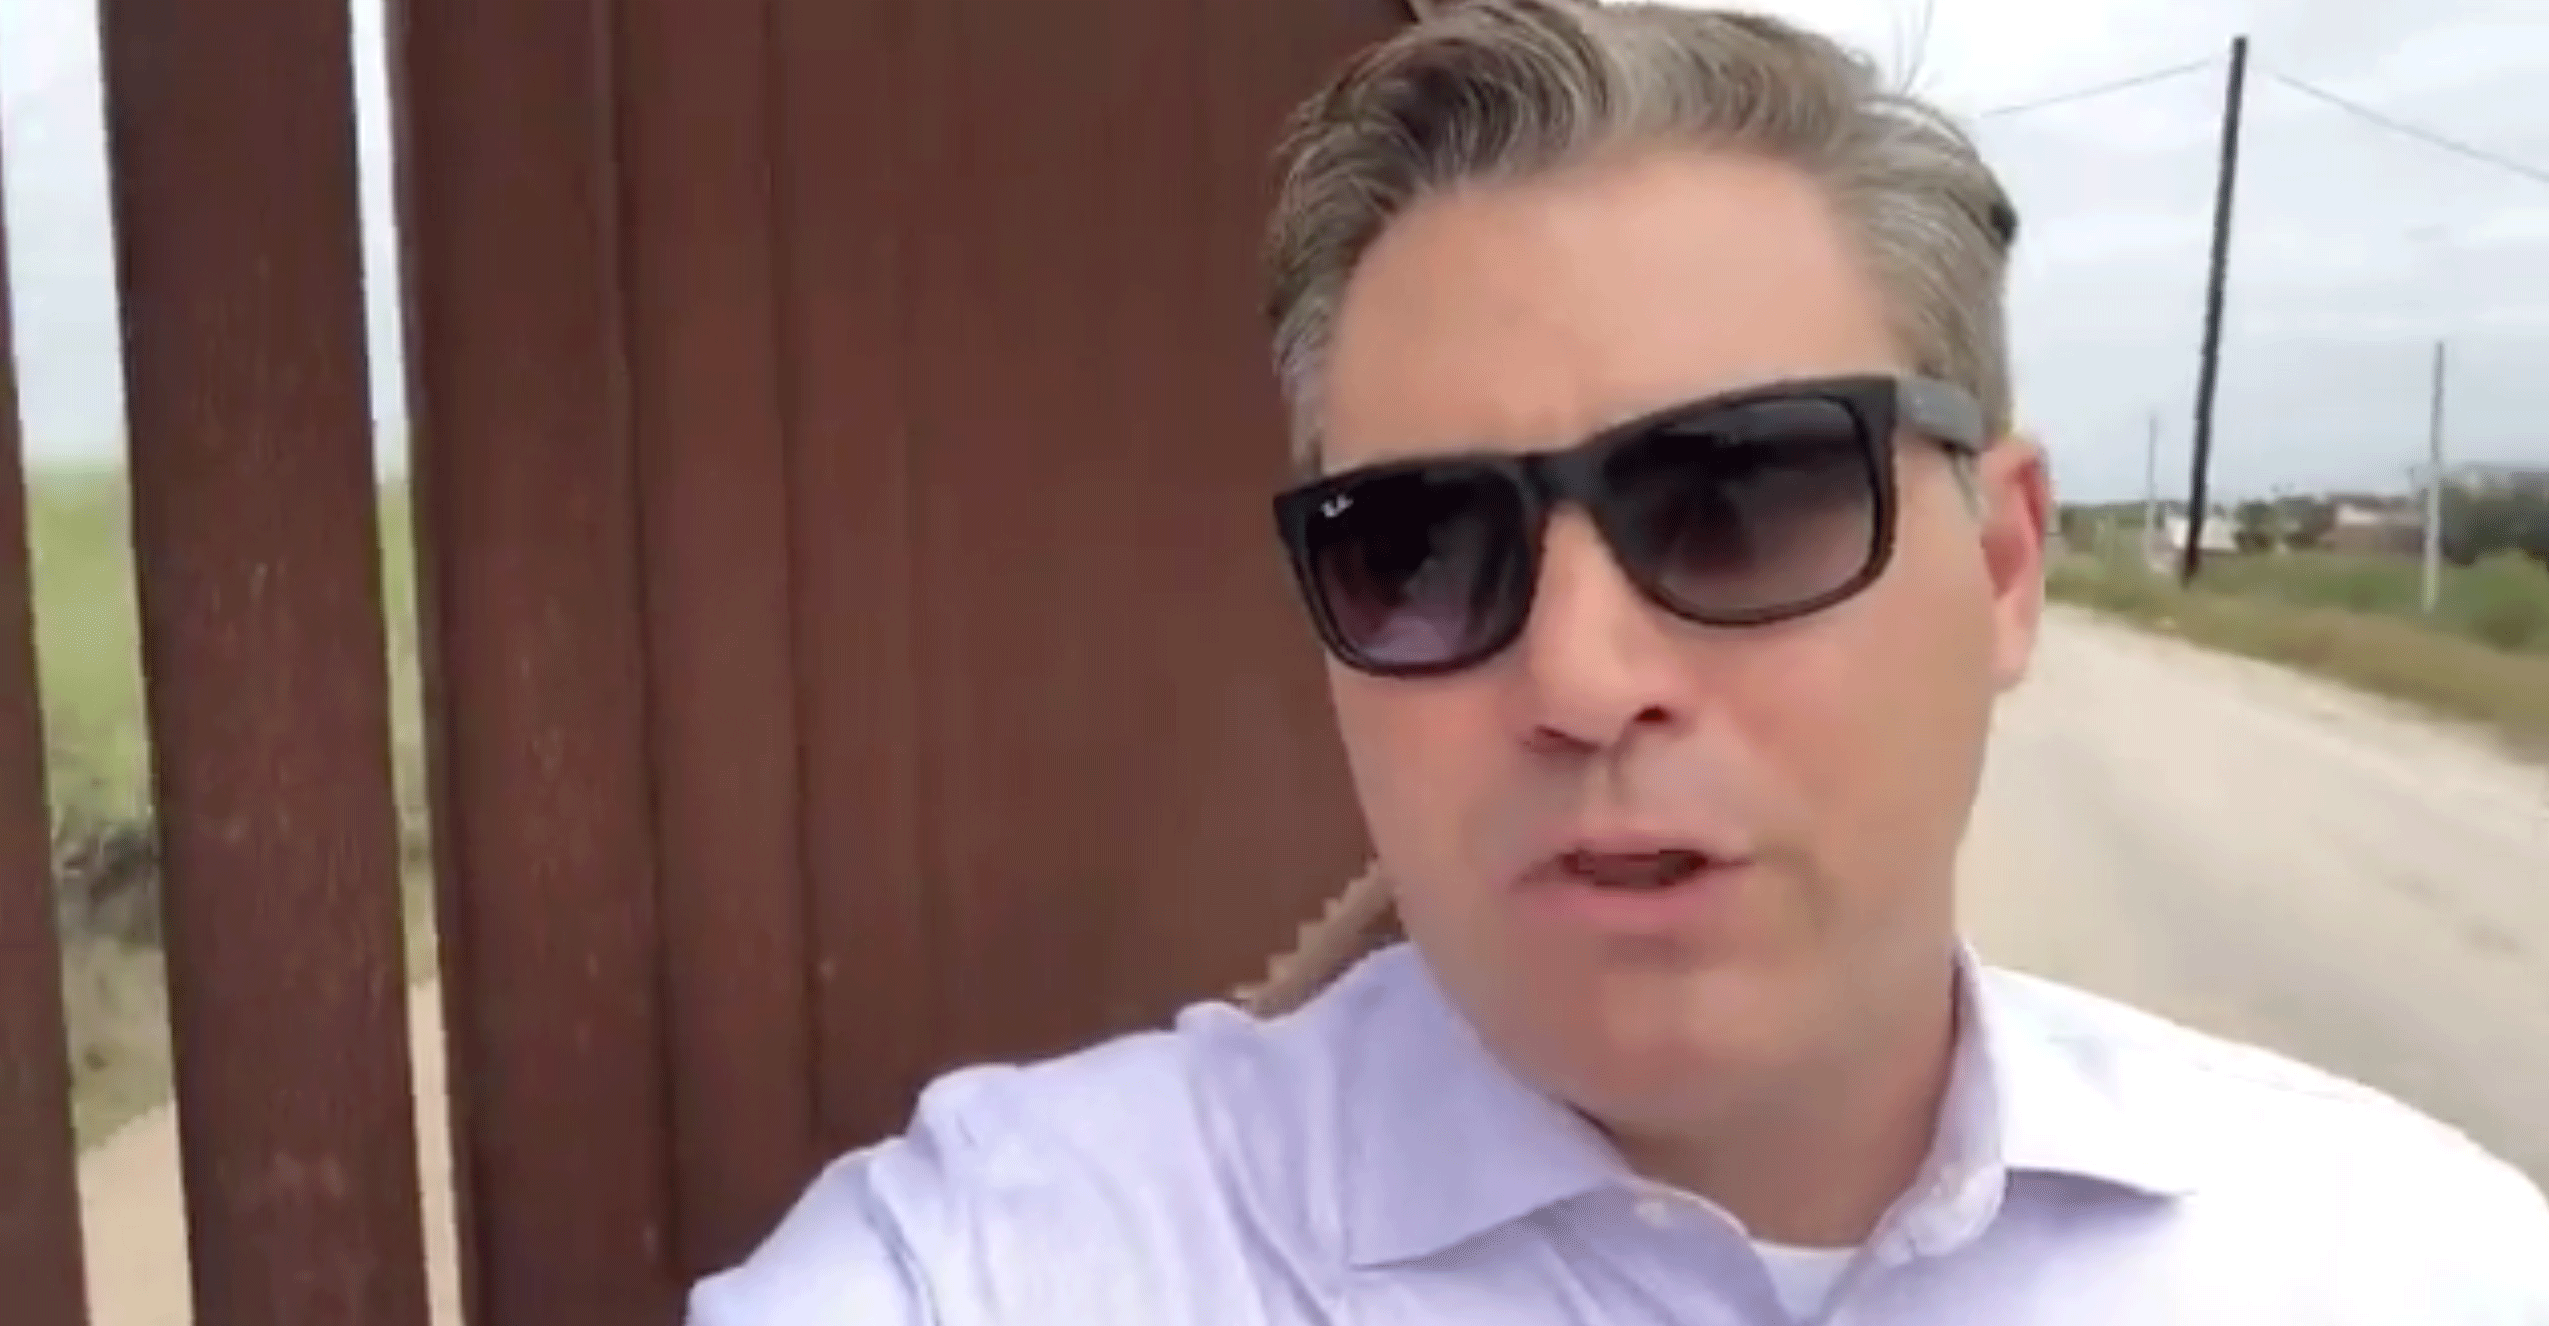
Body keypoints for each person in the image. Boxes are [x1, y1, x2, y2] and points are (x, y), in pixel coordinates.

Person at [689, 2, 2549, 1321]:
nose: (1581, 677)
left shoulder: (2409, 1265)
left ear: (2000, 562)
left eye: (1738, 498)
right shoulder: (1007, 1261)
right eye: (1424, 545)